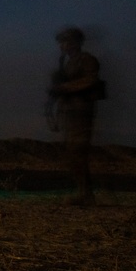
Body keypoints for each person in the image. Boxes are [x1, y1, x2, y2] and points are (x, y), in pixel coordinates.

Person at [47, 27, 102, 205]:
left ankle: (85, 194)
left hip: (81, 113)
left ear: (75, 43)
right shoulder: (67, 64)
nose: (62, 46)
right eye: (61, 42)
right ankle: (83, 192)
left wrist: (65, 88)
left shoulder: (86, 60)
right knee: (73, 155)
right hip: (69, 113)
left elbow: (90, 80)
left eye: (66, 41)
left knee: (78, 153)